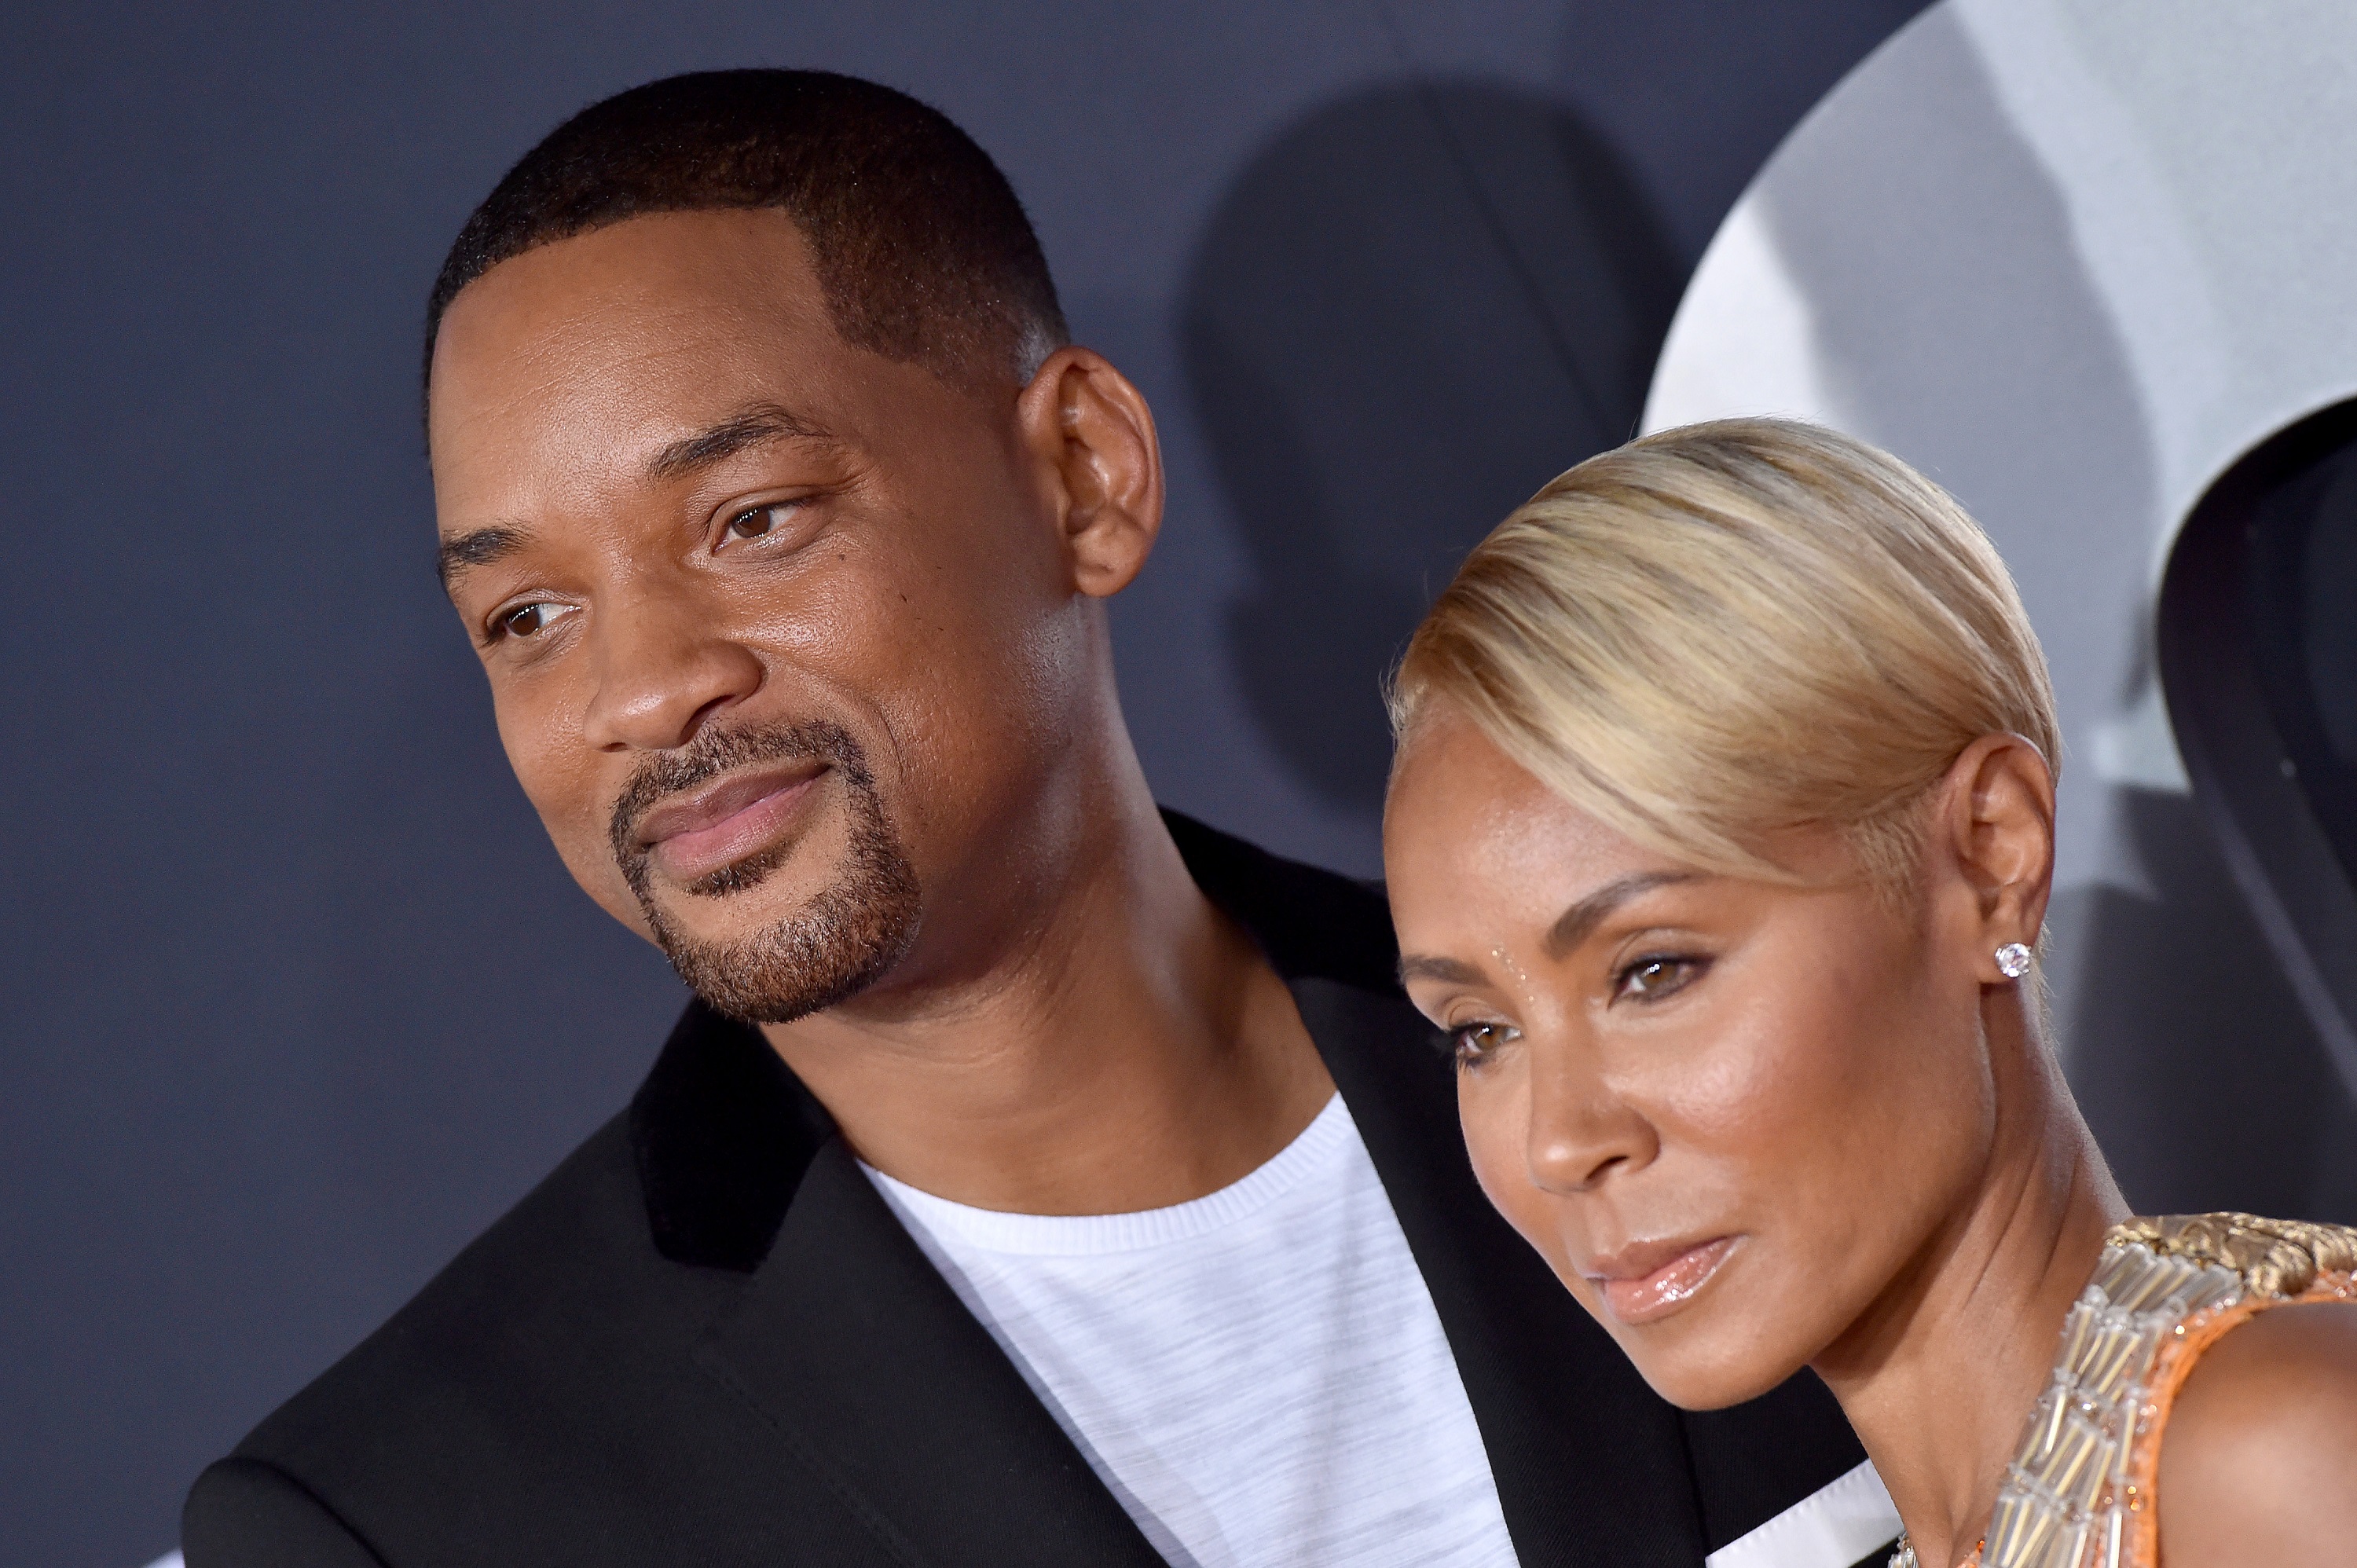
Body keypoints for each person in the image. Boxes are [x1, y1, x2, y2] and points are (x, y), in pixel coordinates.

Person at [180, 74, 1886, 1568]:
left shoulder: (1751, 1063)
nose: (642, 691)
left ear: (1083, 474)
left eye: (750, 520)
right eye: (527, 617)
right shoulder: (417, 1517)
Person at [1381, 417, 2357, 1568]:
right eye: (1480, 1033)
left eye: (1653, 971)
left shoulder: (2278, 1456)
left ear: (1990, 859)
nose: (1559, 1143)